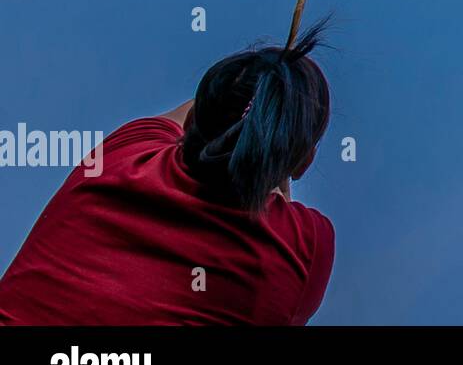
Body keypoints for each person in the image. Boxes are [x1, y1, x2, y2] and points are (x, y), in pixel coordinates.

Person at [0, 22, 334, 325]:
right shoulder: (304, 247)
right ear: (304, 163)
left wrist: (262, 80)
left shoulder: (124, 153)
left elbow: (201, 114)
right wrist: (278, 124)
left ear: (191, 123)